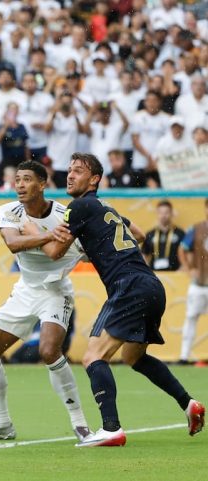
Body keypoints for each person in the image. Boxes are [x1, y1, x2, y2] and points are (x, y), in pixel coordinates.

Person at [37, 152, 204, 447]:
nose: (70, 175)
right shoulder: (105, 207)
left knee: (93, 356)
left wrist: (28, 231)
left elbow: (54, 253)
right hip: (151, 285)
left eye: (78, 171)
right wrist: (98, 248)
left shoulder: (77, 207)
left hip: (128, 286)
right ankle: (188, 403)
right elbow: (139, 235)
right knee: (133, 357)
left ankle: (111, 428)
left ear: (95, 179)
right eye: (69, 170)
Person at [0, 161, 90, 442]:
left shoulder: (65, 214)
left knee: (49, 351)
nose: (20, 185)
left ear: (43, 184)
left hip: (55, 291)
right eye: (17, 180)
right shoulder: (8, 211)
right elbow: (13, 243)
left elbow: (67, 252)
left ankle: (80, 424)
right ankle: (1, 426)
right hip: (25, 290)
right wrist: (48, 235)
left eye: (26, 179)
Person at [179, 199, 208, 364]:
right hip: (198, 284)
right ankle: (184, 356)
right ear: (205, 209)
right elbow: (182, 248)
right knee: (190, 318)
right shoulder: (196, 229)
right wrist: (188, 268)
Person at [142, 200, 185, 272]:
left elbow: (186, 255)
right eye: (160, 213)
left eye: (166, 212)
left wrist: (181, 271)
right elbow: (144, 255)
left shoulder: (180, 233)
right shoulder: (150, 234)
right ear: (157, 214)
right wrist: (147, 272)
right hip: (154, 275)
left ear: (171, 213)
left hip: (175, 274)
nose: (163, 215)